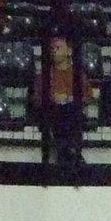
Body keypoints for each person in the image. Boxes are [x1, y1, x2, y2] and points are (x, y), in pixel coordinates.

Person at [32, 35, 91, 168]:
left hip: (71, 112)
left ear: (68, 51)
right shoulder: (43, 75)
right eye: (52, 48)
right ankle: (69, 151)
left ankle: (67, 151)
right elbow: (37, 100)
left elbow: (86, 97)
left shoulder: (78, 74)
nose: (54, 51)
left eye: (58, 48)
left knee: (71, 112)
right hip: (53, 113)